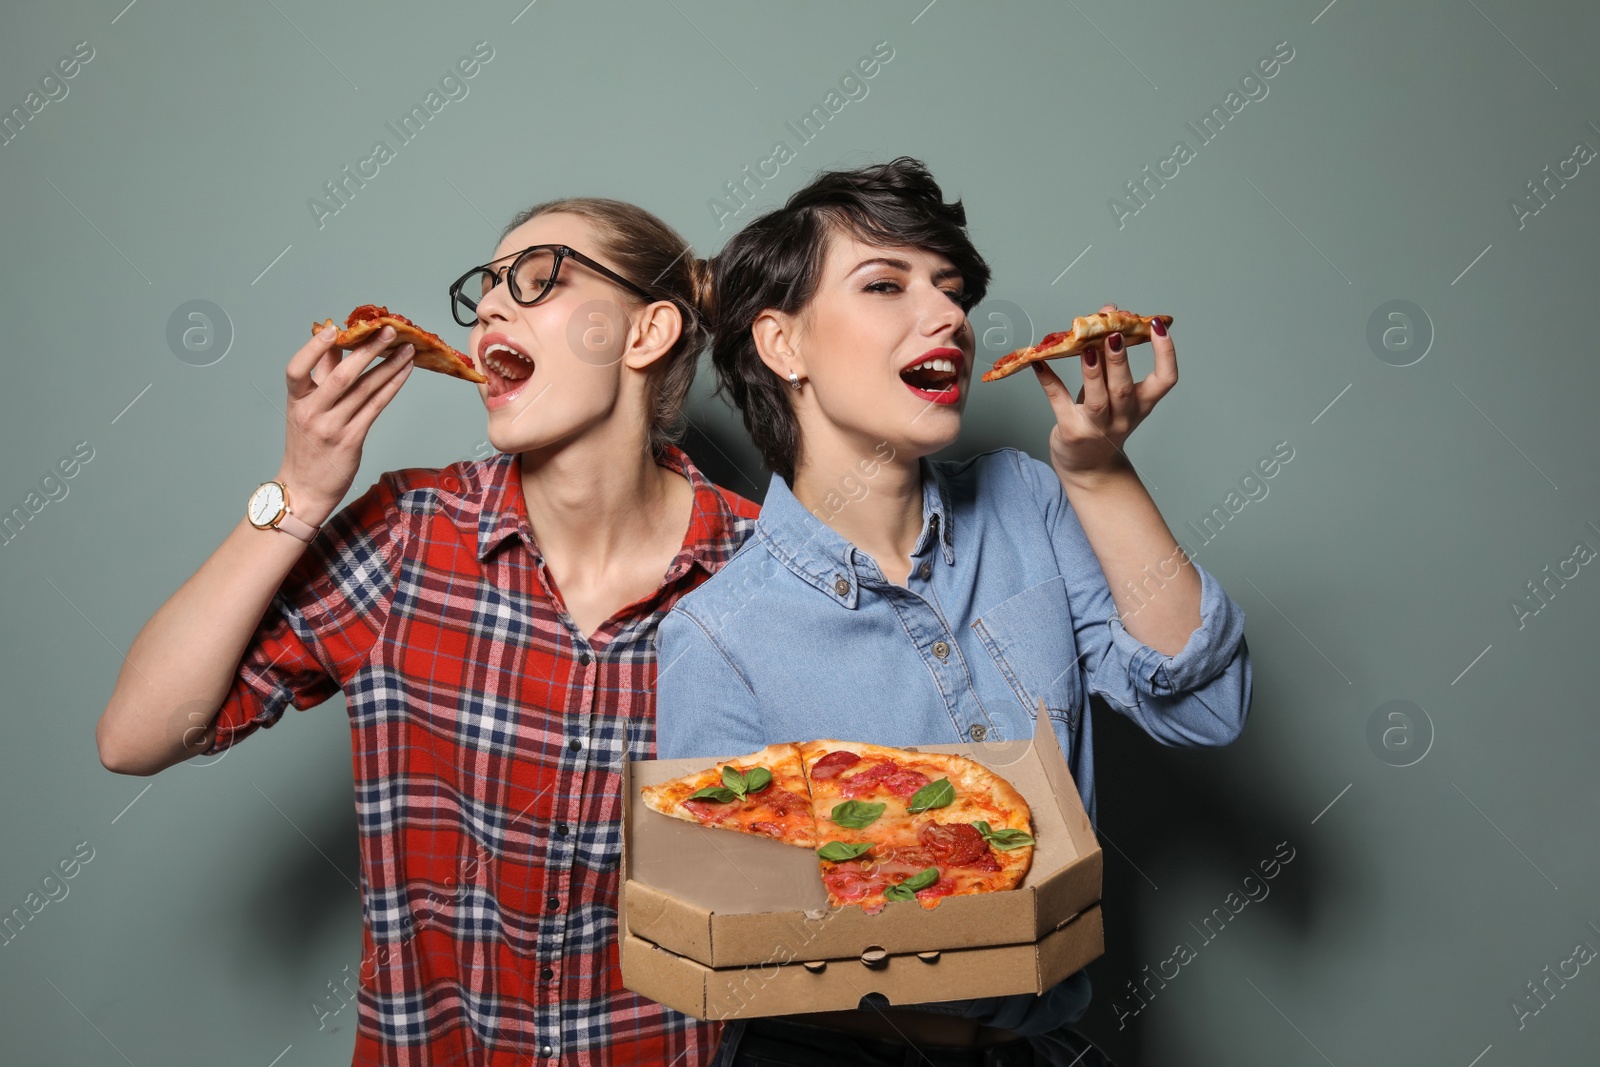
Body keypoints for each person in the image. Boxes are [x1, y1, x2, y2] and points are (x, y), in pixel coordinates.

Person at [96, 197, 760, 1066]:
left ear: (647, 332)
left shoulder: (764, 572)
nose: (490, 307)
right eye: (483, 289)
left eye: (537, 279)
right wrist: (299, 490)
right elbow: (135, 735)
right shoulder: (409, 534)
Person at [654, 158, 1252, 1067]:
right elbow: (738, 950)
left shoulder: (1032, 503)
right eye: (886, 284)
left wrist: (1100, 475)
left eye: (952, 288)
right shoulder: (715, 638)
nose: (948, 318)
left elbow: (1205, 709)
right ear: (783, 346)